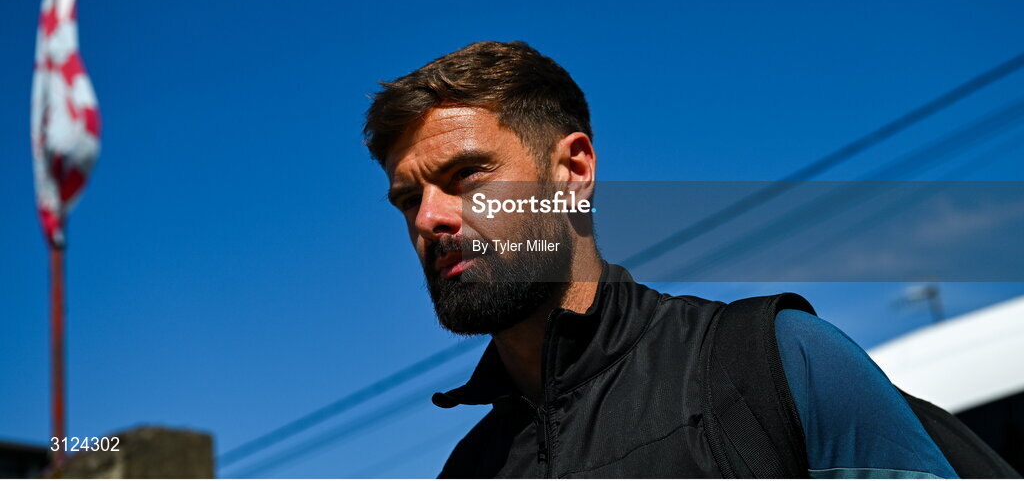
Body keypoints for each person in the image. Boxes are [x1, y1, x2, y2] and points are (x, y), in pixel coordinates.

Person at [363, 40, 958, 478]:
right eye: (409, 199)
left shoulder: (773, 363)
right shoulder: (469, 471)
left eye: (466, 175)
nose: (428, 219)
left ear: (573, 171)